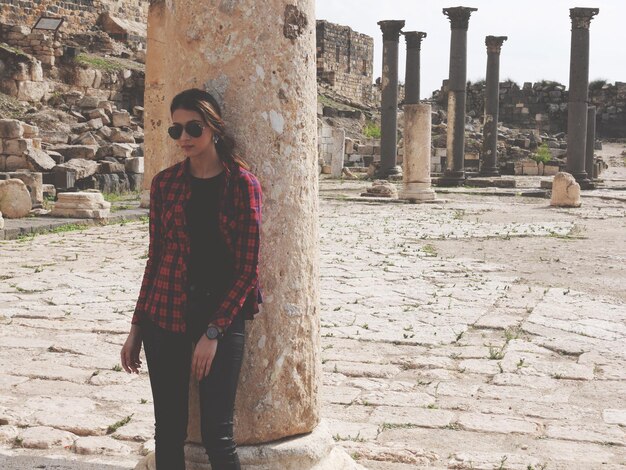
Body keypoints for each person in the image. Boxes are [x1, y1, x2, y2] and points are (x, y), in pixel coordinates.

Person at [120, 88, 262, 470]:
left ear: (213, 128)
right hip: (163, 319)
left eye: (193, 128)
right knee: (167, 432)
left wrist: (213, 332)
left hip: (221, 318)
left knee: (218, 435)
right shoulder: (165, 184)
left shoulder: (242, 185)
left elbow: (248, 269)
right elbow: (156, 259)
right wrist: (136, 326)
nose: (184, 137)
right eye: (176, 130)